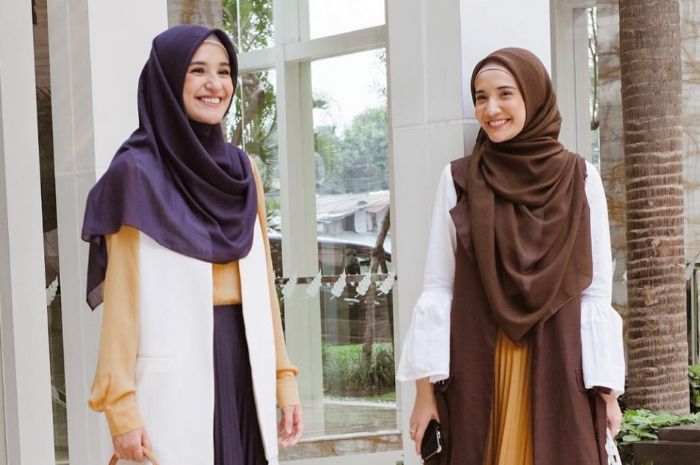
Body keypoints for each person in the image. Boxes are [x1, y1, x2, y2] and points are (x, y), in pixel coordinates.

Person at [82, 25, 303, 465]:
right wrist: (120, 408)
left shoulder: (242, 171)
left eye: (224, 71)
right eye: (197, 70)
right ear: (167, 79)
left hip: (246, 363)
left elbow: (264, 284)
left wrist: (284, 378)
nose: (215, 84)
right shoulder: (136, 175)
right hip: (176, 380)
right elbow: (121, 304)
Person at [397, 48, 625, 465]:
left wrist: (607, 394)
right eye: (481, 97)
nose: (491, 109)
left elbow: (595, 292)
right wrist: (424, 393)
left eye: (505, 94)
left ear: (533, 97)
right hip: (480, 367)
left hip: (560, 366)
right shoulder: (459, 179)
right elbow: (438, 286)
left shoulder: (581, 178)